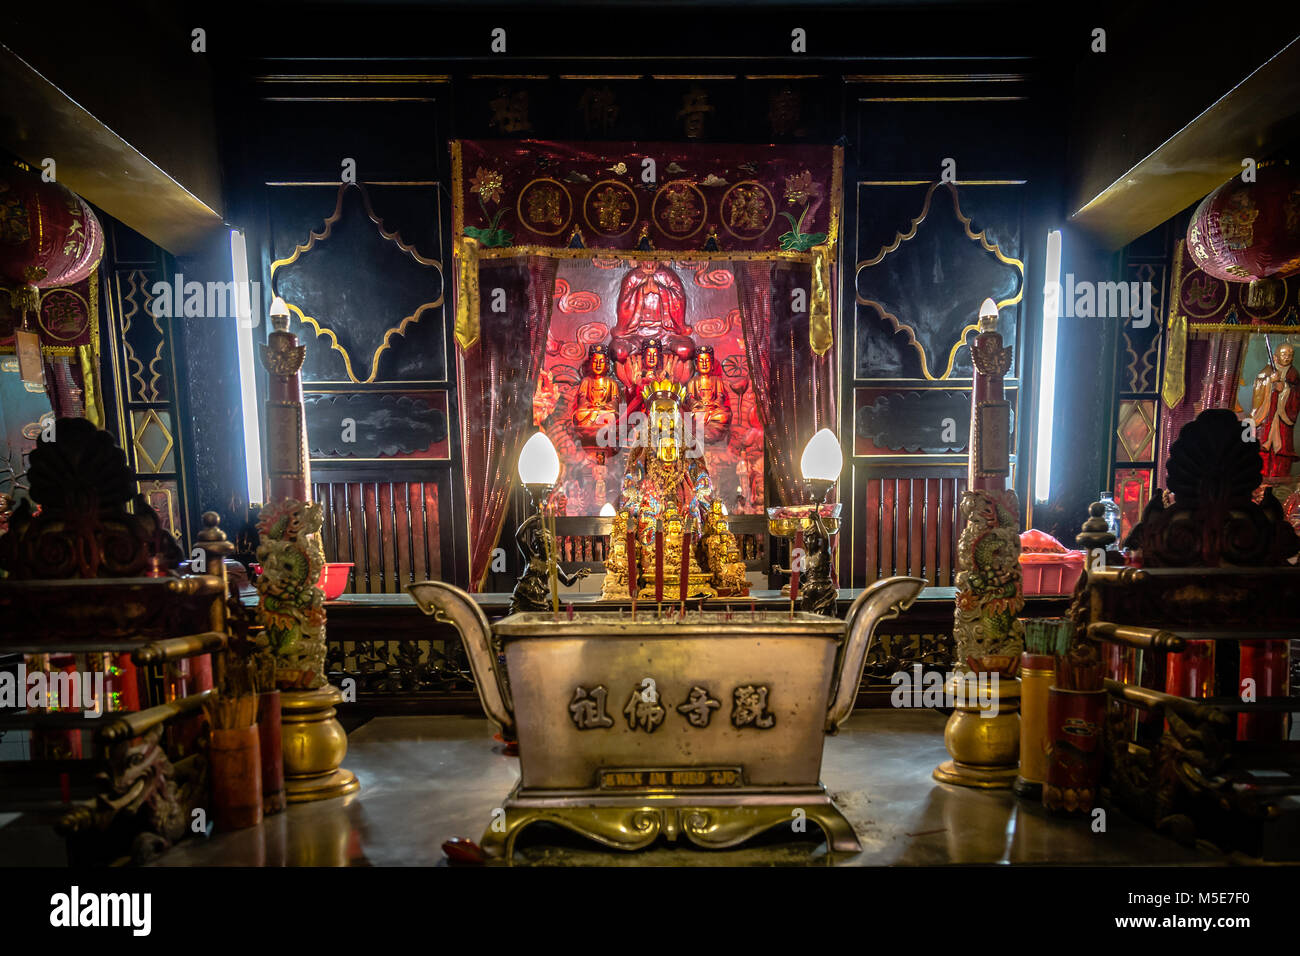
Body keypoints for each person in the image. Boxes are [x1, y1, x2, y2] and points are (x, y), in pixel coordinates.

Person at [1252, 343, 1300, 478]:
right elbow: (1258, 388)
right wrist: (1270, 383)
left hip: (1283, 420)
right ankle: (1262, 475)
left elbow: (1297, 394)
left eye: (1290, 355)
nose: (1287, 358)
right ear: (1275, 357)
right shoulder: (1266, 372)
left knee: (1282, 450)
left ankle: (1280, 475)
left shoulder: (1293, 374)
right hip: (1267, 417)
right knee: (1263, 447)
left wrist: (1285, 388)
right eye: (1284, 354)